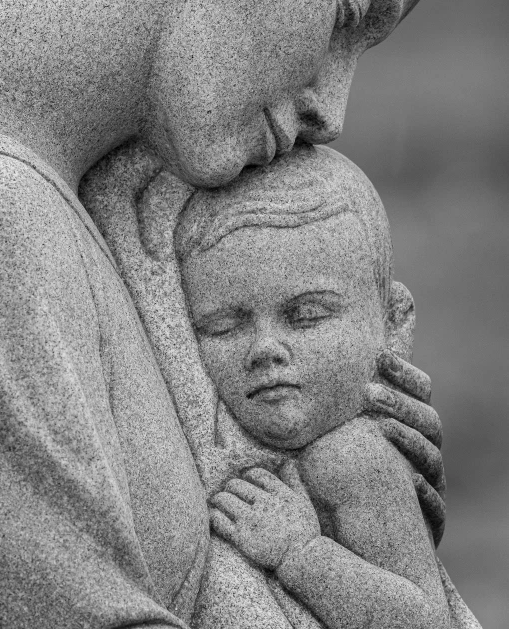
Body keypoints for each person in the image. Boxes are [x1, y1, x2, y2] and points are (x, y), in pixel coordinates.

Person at [0, 0, 473, 626]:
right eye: (349, 10)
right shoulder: (2, 218)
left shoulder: (105, 206)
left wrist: (338, 467)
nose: (333, 111)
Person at [170, 143, 480, 629]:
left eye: (306, 315)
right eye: (224, 326)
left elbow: (426, 622)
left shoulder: (348, 457)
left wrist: (300, 553)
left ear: (393, 324)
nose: (266, 348)